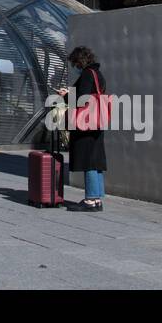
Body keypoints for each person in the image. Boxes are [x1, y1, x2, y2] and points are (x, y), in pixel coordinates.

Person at [58, 46, 109, 211]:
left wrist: (65, 96)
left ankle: (91, 200)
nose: (75, 67)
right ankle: (98, 198)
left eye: (75, 63)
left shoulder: (87, 74)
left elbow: (81, 99)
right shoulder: (97, 74)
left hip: (86, 125)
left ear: (80, 61)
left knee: (88, 161)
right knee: (95, 160)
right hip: (96, 122)